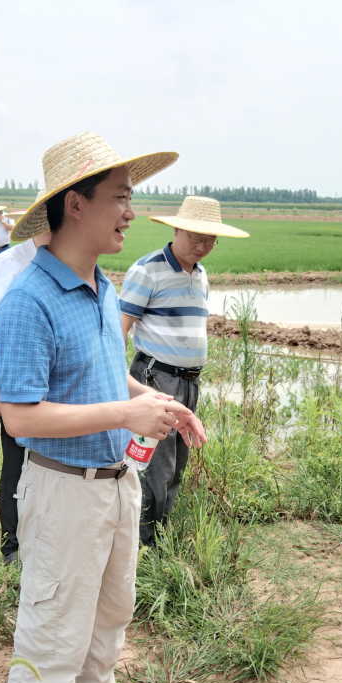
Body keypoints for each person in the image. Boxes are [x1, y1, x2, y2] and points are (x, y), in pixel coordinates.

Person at [0, 131, 206, 683]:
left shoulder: (101, 287)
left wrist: (156, 401)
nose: (131, 213)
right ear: (76, 204)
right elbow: (21, 416)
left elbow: (111, 378)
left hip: (116, 483)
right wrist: (123, 414)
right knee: (53, 632)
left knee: (109, 618)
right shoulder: (28, 302)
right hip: (64, 491)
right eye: (120, 197)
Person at [120, 196, 248, 545]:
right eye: (195, 237)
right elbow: (119, 330)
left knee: (177, 462)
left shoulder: (201, 274)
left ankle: (160, 532)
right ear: (177, 229)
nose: (203, 246)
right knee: (152, 464)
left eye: (210, 240)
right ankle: (141, 542)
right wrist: (120, 382)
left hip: (188, 382)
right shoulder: (148, 270)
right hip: (155, 378)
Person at [0, 227, 48, 564]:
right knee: (16, 465)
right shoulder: (11, 261)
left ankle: (39, 536)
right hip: (16, 382)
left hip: (52, 384)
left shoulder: (66, 260)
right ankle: (11, 544)